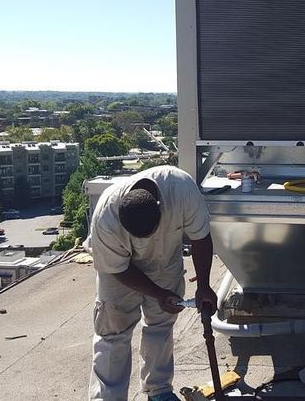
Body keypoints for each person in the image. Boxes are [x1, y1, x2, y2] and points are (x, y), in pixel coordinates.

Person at [85, 165, 217, 401]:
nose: (143, 240)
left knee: (161, 324)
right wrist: (158, 293)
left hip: (164, 259)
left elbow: (200, 238)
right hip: (118, 268)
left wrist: (204, 286)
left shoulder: (181, 188)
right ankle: (107, 397)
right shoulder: (106, 216)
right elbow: (119, 269)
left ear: (160, 207)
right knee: (113, 330)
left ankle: (158, 390)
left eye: (149, 232)